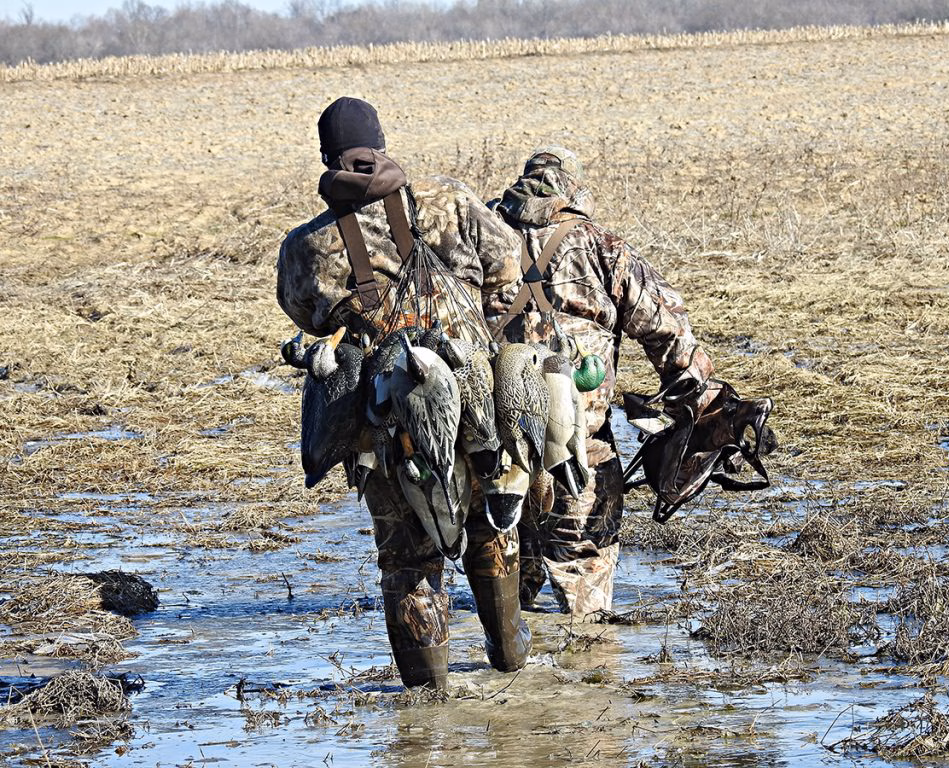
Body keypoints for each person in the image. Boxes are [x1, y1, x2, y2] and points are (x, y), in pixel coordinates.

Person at [276, 97, 530, 689]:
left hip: (387, 431)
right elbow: (507, 269)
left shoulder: (306, 246)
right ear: (383, 143)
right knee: (493, 526)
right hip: (476, 401)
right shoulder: (453, 201)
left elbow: (308, 319)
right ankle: (510, 660)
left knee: (408, 561)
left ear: (325, 157)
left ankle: (427, 708)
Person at [489, 146, 720, 619]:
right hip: (580, 446)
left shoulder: (483, 240)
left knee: (503, 581)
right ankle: (591, 681)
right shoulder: (599, 245)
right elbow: (665, 324)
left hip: (497, 447)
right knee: (585, 584)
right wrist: (697, 396)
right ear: (573, 190)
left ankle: (512, 676)